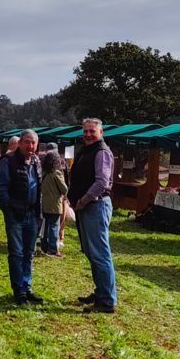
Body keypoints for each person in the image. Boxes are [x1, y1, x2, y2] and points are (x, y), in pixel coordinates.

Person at [70, 118, 117, 313]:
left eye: (92, 131)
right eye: (85, 131)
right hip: (86, 207)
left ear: (101, 131)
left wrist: (83, 200)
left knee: (100, 254)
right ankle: (100, 292)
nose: (88, 134)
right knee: (92, 253)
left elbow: (101, 183)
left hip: (95, 206)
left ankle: (106, 301)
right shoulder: (87, 150)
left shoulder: (102, 152)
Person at [0, 129, 44, 303]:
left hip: (33, 214)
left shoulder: (37, 161)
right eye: (27, 142)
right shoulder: (8, 161)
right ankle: (19, 290)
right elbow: (1, 189)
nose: (30, 146)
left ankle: (26, 285)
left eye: (33, 143)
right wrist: (8, 210)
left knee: (28, 253)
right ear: (20, 143)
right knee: (16, 253)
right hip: (15, 214)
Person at [38, 146, 68, 256]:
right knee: (54, 226)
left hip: (45, 203)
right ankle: (53, 250)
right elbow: (64, 189)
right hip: (55, 204)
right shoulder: (57, 173)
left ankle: (44, 247)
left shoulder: (44, 173)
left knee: (45, 226)